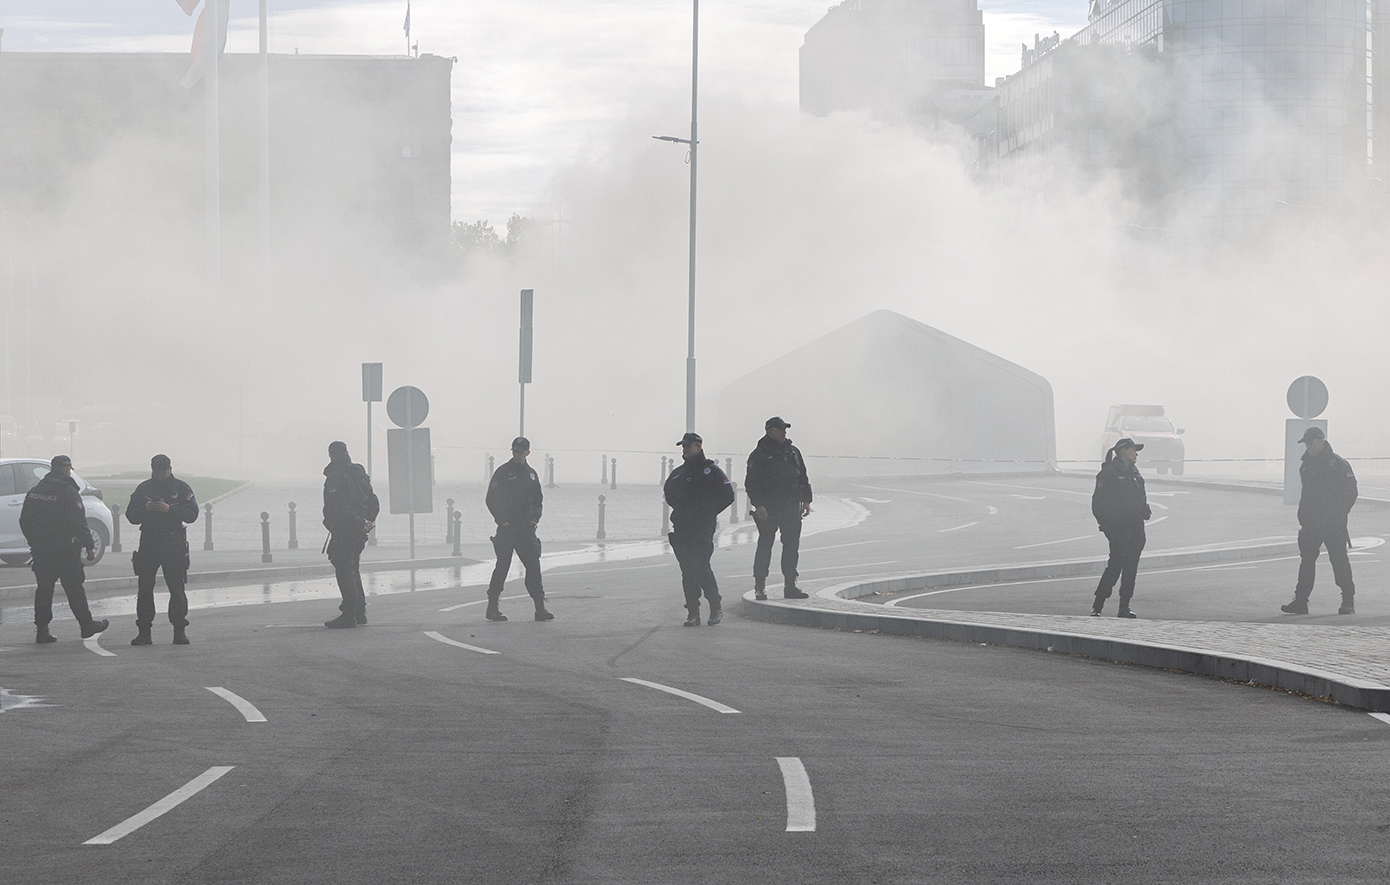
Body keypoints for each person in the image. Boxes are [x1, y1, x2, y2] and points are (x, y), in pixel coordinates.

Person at [19, 455, 109, 643]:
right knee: (74, 589)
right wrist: (89, 545)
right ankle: (86, 625)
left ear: (52, 469)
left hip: (42, 550)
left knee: (44, 590)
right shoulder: (68, 492)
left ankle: (42, 630)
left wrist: (33, 542)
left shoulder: (35, 491)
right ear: (68, 469)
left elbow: (24, 521)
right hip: (65, 551)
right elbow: (78, 522)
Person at [1281, 426, 1358, 615]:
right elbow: (1306, 495)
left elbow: (1351, 492)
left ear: (1321, 441)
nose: (1307, 446)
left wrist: (1339, 513)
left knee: (1339, 560)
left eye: (1310, 442)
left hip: (1333, 523)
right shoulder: (1305, 465)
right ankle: (1300, 602)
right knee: (1306, 562)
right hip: (1311, 524)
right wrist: (1303, 517)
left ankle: (1348, 600)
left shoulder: (1338, 464)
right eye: (1305, 443)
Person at [126, 454, 199, 645]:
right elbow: (131, 515)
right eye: (155, 471)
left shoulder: (181, 488)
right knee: (144, 588)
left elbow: (192, 514)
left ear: (170, 469)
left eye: (162, 471)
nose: (159, 475)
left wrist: (170, 510)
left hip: (172, 542)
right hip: (149, 542)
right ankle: (144, 632)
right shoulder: (144, 488)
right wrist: (146, 509)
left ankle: (179, 631)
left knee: (176, 588)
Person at [664, 432, 736, 626]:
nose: (685, 449)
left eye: (688, 446)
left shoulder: (711, 471)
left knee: (701, 565)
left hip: (702, 527)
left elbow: (728, 495)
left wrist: (708, 511)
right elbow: (669, 494)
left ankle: (715, 606)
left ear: (699, 446)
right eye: (683, 446)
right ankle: (693, 612)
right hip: (682, 527)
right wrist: (683, 510)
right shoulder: (679, 473)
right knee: (687, 570)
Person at [484, 437, 552, 622]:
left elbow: (538, 500)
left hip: (526, 530)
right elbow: (491, 498)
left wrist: (534, 519)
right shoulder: (503, 472)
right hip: (507, 529)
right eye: (514, 451)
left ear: (527, 453)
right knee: (502, 567)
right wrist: (502, 520)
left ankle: (540, 608)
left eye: (520, 452)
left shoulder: (531, 474)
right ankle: (492, 607)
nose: (516, 455)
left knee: (533, 567)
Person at [745, 417, 813, 601]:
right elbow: (751, 482)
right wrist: (758, 505)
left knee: (791, 548)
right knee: (765, 546)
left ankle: (790, 586)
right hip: (769, 510)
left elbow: (802, 476)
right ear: (769, 431)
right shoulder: (759, 454)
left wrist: (806, 500)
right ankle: (760, 586)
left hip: (791, 507)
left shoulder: (793, 451)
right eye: (780, 429)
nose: (784, 432)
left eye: (785, 429)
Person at [1090, 438, 1151, 618]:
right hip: (1118, 528)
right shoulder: (1108, 473)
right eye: (1133, 450)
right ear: (1123, 451)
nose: (1136, 453)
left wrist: (1145, 509)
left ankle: (1124, 607)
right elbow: (1098, 504)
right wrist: (1107, 525)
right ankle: (1098, 605)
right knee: (1116, 565)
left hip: (1136, 527)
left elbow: (1140, 496)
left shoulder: (1135, 472)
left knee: (1131, 567)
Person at [322, 440, 380, 629]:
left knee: (345, 570)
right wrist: (367, 522)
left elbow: (338, 506)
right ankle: (359, 611)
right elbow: (374, 501)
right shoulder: (359, 474)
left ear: (332, 454)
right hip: (358, 532)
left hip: (345, 530)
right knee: (353, 568)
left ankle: (348, 614)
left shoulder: (336, 476)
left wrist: (359, 522)